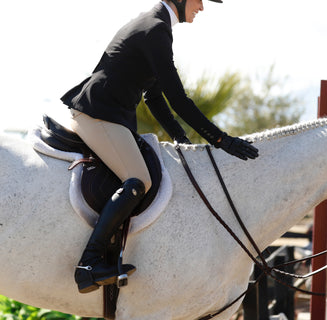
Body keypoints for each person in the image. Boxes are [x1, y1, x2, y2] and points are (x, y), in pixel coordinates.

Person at [61, 0, 259, 294]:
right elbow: (178, 99)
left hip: (107, 113)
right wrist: (220, 139)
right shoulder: (155, 29)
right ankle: (88, 265)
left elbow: (155, 97)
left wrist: (180, 137)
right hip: (98, 114)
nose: (202, 7)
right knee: (139, 179)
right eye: (200, 0)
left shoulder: (154, 25)